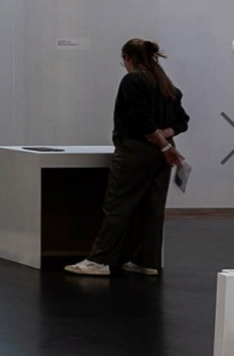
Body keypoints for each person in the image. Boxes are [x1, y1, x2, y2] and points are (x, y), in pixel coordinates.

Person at [67, 39, 190, 277]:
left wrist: (162, 143)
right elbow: (182, 121)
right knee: (153, 208)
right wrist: (166, 138)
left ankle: (99, 260)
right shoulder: (166, 85)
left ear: (127, 58)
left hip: (136, 151)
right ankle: (147, 261)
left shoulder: (133, 81)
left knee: (118, 205)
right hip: (161, 157)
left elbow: (141, 120)